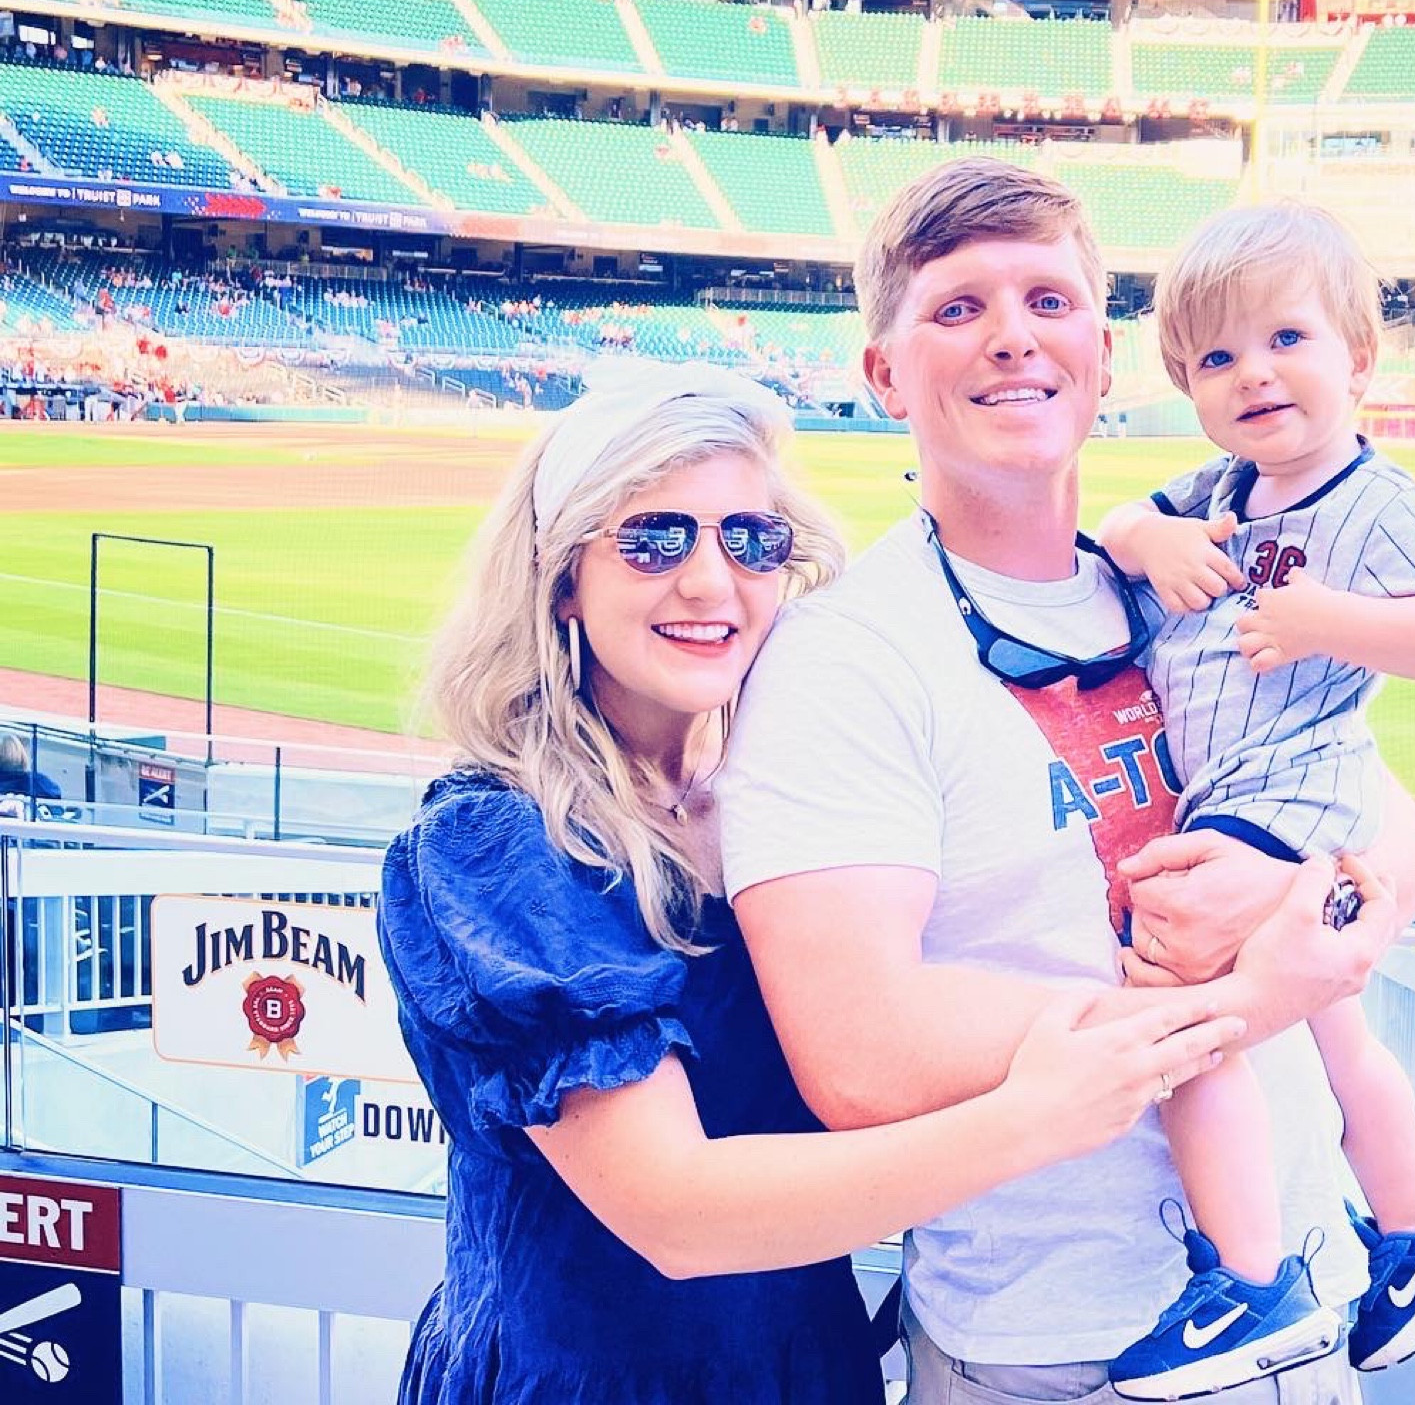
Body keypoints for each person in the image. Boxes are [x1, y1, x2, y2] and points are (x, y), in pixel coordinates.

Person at [375, 360, 1246, 1404]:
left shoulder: (764, 801)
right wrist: (1038, 1115)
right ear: (562, 575)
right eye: (653, 537)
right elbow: (677, 1214)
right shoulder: (492, 846)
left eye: (751, 539)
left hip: (804, 1371)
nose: (710, 581)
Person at [717, 159, 1413, 1404]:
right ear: (883, 375)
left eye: (1046, 301)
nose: (1008, 340)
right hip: (1053, 1350)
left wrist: (1332, 910)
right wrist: (1252, 998)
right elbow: (860, 1050)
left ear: (1102, 353)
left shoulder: (1189, 584)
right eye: (954, 308)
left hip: (1297, 1303)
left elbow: (1386, 827)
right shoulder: (844, 656)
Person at [1092, 202, 1415, 1393]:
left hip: (1287, 792)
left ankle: (1250, 1278)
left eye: (1284, 340)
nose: (1251, 374)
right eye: (1215, 359)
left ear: (1358, 361)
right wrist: (1140, 535)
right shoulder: (1223, 487)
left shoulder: (1372, 502)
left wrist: (1333, 621)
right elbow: (1124, 525)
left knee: (1178, 1009)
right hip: (1243, 790)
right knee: (1338, 1029)